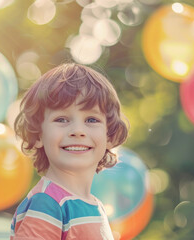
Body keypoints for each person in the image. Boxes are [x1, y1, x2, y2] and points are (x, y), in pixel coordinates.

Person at [10, 63, 129, 240]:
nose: (78, 130)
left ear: (109, 136)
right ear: (39, 134)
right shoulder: (47, 203)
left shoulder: (95, 206)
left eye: (91, 119)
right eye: (62, 119)